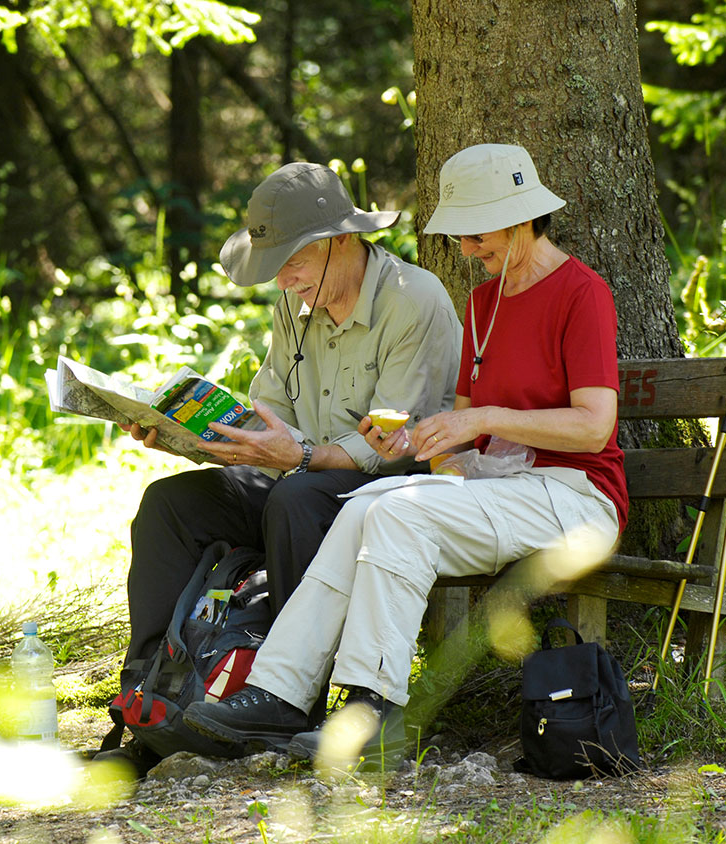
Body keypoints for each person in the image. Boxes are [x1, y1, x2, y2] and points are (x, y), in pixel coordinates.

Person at [183, 143, 629, 770]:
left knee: (396, 514)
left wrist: (481, 419)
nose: (466, 249)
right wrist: (416, 447)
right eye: (462, 235)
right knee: (365, 505)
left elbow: (593, 427)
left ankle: (373, 712)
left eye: (476, 233)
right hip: (498, 489)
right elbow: (461, 440)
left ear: (521, 217)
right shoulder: (484, 303)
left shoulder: (582, 293)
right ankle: (280, 693)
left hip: (576, 497)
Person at [102, 162, 463, 773]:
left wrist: (300, 457)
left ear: (342, 240)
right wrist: (187, 436)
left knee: (297, 501)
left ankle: (290, 704)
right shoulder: (294, 304)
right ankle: (154, 697)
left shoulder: (412, 299)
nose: (284, 279)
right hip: (298, 476)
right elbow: (270, 417)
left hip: (389, 487)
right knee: (171, 506)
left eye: (293, 261)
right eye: (275, 266)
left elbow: (393, 444)